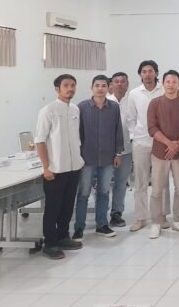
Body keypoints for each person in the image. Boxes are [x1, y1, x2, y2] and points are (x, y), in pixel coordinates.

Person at [34, 74, 84, 259]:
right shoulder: (48, 110)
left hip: (74, 167)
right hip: (55, 168)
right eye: (66, 85)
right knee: (53, 208)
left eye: (73, 85)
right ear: (57, 89)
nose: (70, 89)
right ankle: (50, 243)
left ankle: (63, 236)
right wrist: (46, 167)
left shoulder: (75, 109)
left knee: (68, 205)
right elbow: (40, 141)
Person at [73, 75, 124, 240]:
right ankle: (79, 228)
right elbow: (77, 134)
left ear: (108, 88)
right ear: (92, 88)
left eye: (103, 85)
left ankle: (102, 225)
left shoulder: (114, 107)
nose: (100, 88)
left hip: (108, 157)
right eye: (97, 85)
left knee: (103, 192)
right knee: (83, 193)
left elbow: (118, 131)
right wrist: (78, 156)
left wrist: (118, 153)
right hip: (87, 158)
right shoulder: (82, 107)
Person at [147, 70, 179, 239]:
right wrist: (169, 143)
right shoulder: (155, 103)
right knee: (157, 190)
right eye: (168, 81)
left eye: (174, 82)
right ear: (163, 83)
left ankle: (178, 220)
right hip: (160, 153)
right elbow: (152, 128)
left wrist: (178, 144)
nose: (171, 85)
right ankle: (156, 222)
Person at [126, 60, 168, 232]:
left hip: (161, 142)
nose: (148, 74)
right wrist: (133, 137)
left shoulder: (164, 90)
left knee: (162, 182)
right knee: (140, 182)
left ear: (156, 73)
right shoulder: (134, 93)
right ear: (140, 74)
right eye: (144, 71)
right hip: (141, 142)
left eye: (151, 71)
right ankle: (141, 217)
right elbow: (131, 118)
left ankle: (161, 216)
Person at [108, 72, 131, 228]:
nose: (119, 84)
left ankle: (116, 213)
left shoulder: (131, 101)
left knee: (121, 183)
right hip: (106, 151)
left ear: (127, 84)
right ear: (111, 85)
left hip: (126, 150)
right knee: (103, 184)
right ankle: (101, 214)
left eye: (123, 81)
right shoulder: (106, 101)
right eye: (116, 81)